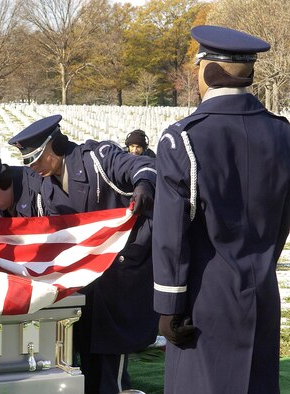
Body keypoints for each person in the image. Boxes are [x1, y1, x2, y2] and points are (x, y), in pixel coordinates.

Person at [152, 25, 290, 394]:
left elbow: (172, 235)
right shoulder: (283, 134)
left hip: (203, 301)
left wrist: (168, 305)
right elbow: (281, 224)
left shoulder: (184, 138)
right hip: (262, 294)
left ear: (208, 71)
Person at [8, 115, 158, 393]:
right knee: (87, 364)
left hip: (119, 278)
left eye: (37, 158)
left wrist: (143, 187)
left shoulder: (97, 159)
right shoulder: (47, 187)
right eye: (28, 161)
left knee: (110, 370)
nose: (33, 167)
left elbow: (145, 167)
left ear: (53, 147)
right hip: (86, 286)